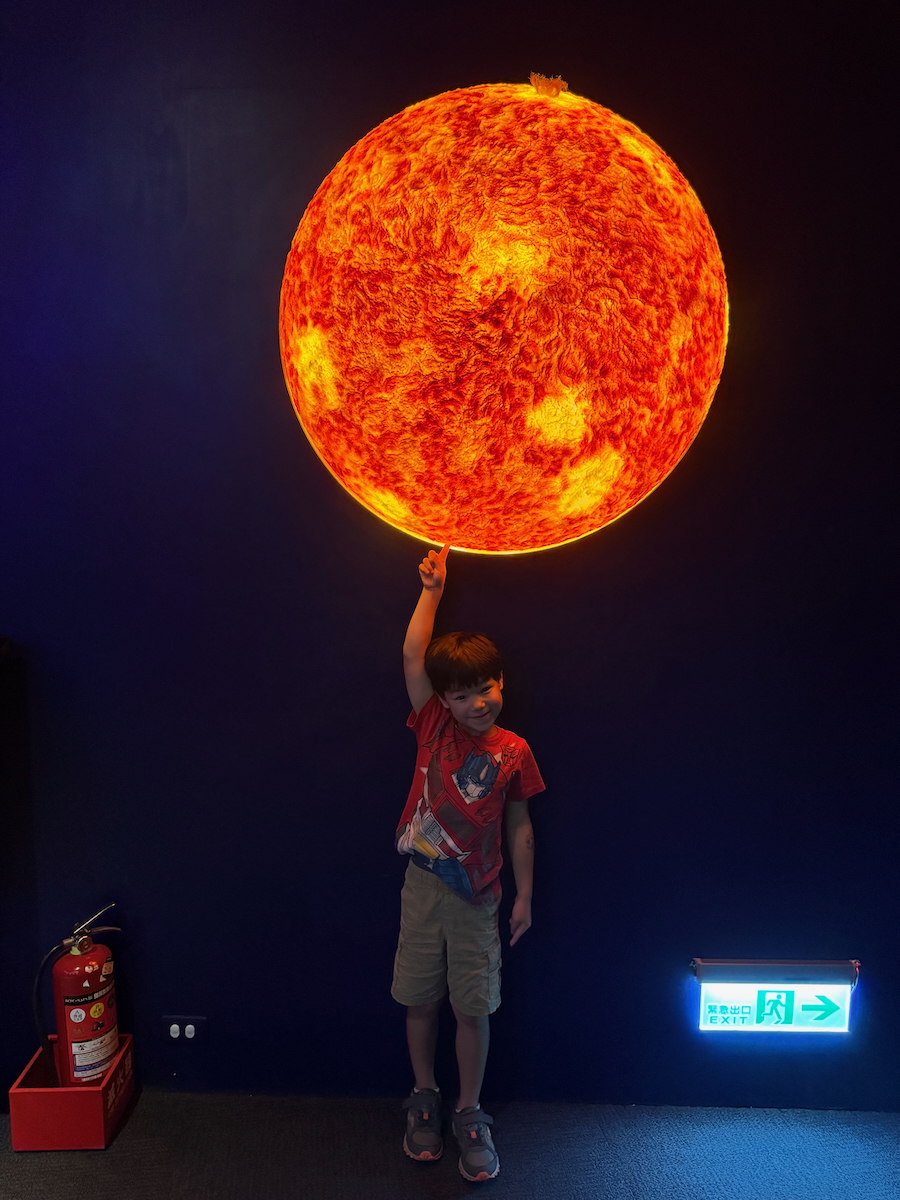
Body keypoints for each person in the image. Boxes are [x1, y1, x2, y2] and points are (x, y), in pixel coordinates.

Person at [392, 543, 545, 1182]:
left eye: (486, 689)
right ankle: (424, 1096)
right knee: (419, 999)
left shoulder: (514, 750)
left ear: (500, 683)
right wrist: (431, 591)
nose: (478, 703)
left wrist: (524, 895)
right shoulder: (432, 724)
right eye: (463, 695)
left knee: (472, 1007)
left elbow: (519, 823)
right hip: (423, 885)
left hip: (480, 895)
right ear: (445, 700)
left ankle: (469, 1111)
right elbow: (412, 656)